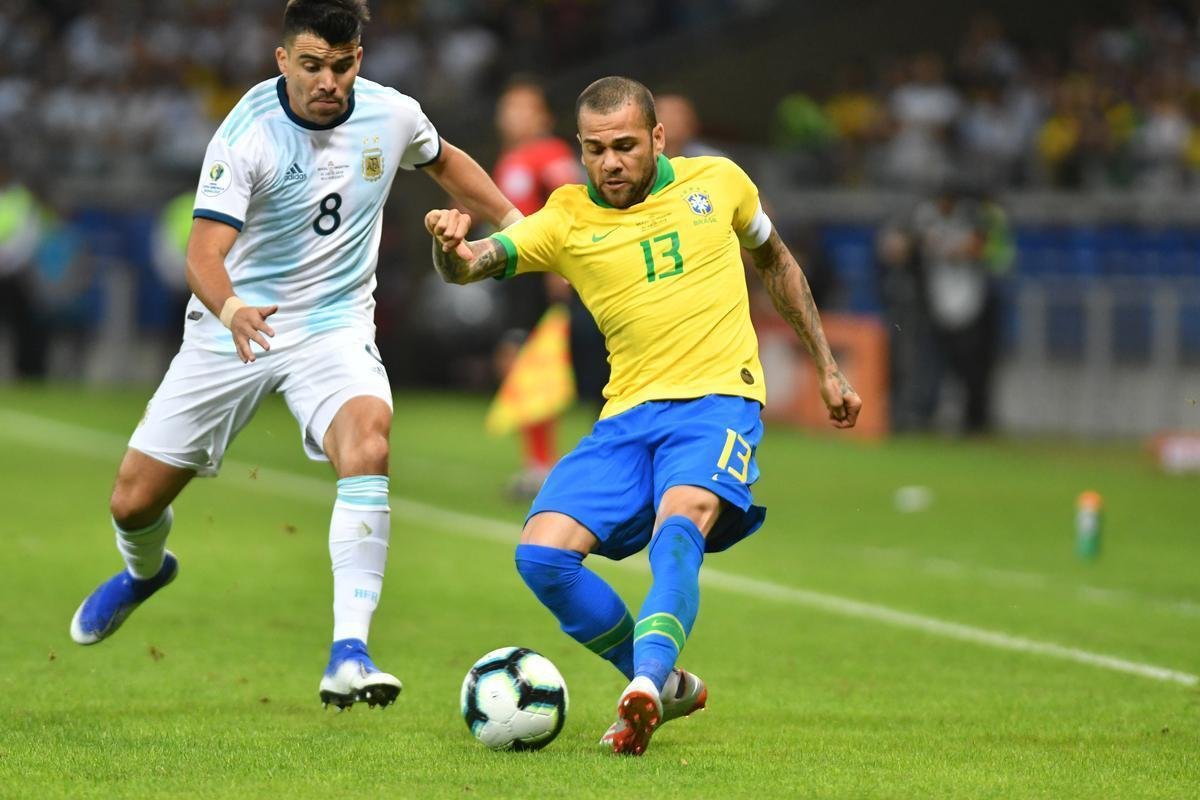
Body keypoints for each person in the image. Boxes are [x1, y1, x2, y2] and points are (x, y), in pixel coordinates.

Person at [68, 0, 520, 711]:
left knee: (368, 442)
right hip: (233, 325)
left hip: (333, 328)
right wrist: (231, 309)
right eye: (311, 65)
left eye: (341, 66)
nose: (327, 81)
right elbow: (203, 254)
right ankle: (145, 572)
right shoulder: (247, 133)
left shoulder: (391, 113)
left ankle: (350, 650)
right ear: (283, 60)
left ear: (359, 60)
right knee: (133, 502)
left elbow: (445, 161)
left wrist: (517, 225)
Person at [425, 76, 861, 755]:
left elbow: (775, 261)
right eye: (596, 150)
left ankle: (645, 689)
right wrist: (449, 250)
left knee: (679, 524)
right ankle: (660, 682)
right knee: (541, 555)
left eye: (626, 146)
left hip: (717, 401)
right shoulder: (566, 217)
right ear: (580, 149)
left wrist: (828, 368)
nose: (612, 163)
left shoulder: (718, 182)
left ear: (658, 138)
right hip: (627, 417)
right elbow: (472, 267)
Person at [490, 76, 596, 498]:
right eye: (509, 107)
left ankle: (546, 466)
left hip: (540, 278)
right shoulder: (512, 157)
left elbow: (570, 198)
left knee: (536, 365)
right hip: (516, 277)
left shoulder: (548, 154)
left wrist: (560, 267)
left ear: (544, 116)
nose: (514, 116)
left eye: (525, 108)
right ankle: (539, 464)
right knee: (522, 365)